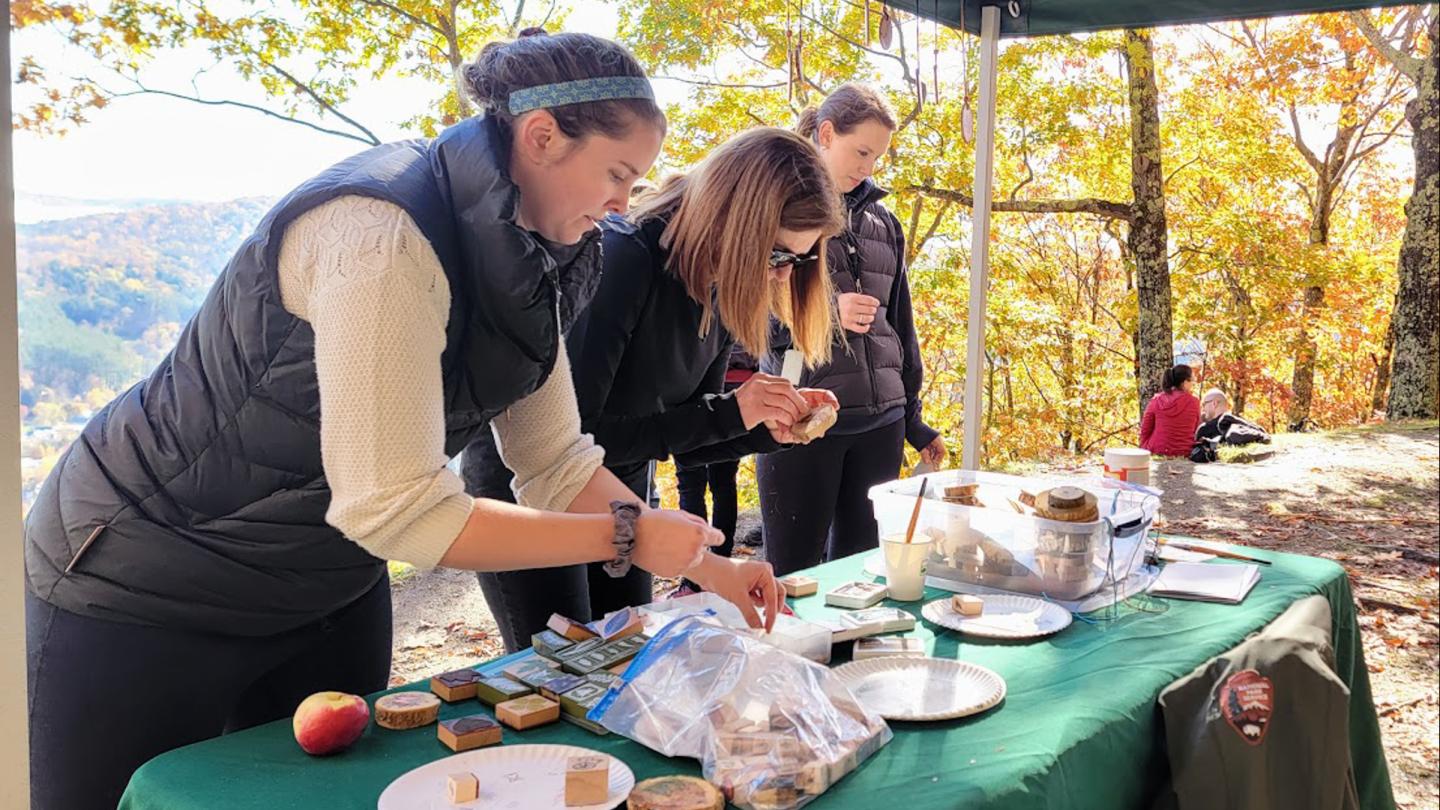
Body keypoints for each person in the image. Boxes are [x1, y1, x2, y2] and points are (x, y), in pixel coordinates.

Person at [21, 30, 775, 810]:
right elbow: (396, 507)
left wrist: (704, 565)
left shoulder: (545, 252)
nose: (625, 203)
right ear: (542, 138)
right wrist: (625, 536)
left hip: (326, 580)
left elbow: (554, 460)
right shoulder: (377, 234)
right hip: (140, 578)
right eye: (618, 174)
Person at [471, 127, 842, 651]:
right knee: (561, 673)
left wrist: (765, 428)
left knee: (624, 657)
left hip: (623, 491)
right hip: (531, 489)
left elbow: (683, 432)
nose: (783, 279)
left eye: (800, 262)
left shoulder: (718, 284)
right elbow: (572, 439)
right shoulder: (624, 259)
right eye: (779, 256)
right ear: (736, 224)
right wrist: (731, 415)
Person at [757, 84, 946, 577]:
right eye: (861, 151)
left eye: (877, 156)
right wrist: (824, 312)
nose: (868, 167)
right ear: (825, 133)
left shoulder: (885, 223)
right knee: (792, 574)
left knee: (864, 573)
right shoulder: (774, 207)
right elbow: (742, 318)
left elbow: (900, 325)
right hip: (802, 419)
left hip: (881, 422)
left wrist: (912, 419)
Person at [676, 346, 760, 558]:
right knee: (723, 483)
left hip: (693, 394)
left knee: (690, 483)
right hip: (739, 393)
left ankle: (696, 569)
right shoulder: (748, 315)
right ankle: (721, 558)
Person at [1140, 364, 1202, 457]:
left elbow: (1145, 429)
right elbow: (1195, 429)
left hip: (1157, 450)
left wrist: (1143, 449)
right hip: (1184, 452)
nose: (1193, 384)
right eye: (1192, 380)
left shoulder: (1157, 400)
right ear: (1185, 382)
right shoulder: (1194, 402)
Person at [1196, 388, 1271, 446]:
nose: (1202, 409)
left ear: (1214, 403)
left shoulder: (1204, 429)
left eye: (1203, 404)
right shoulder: (1239, 423)